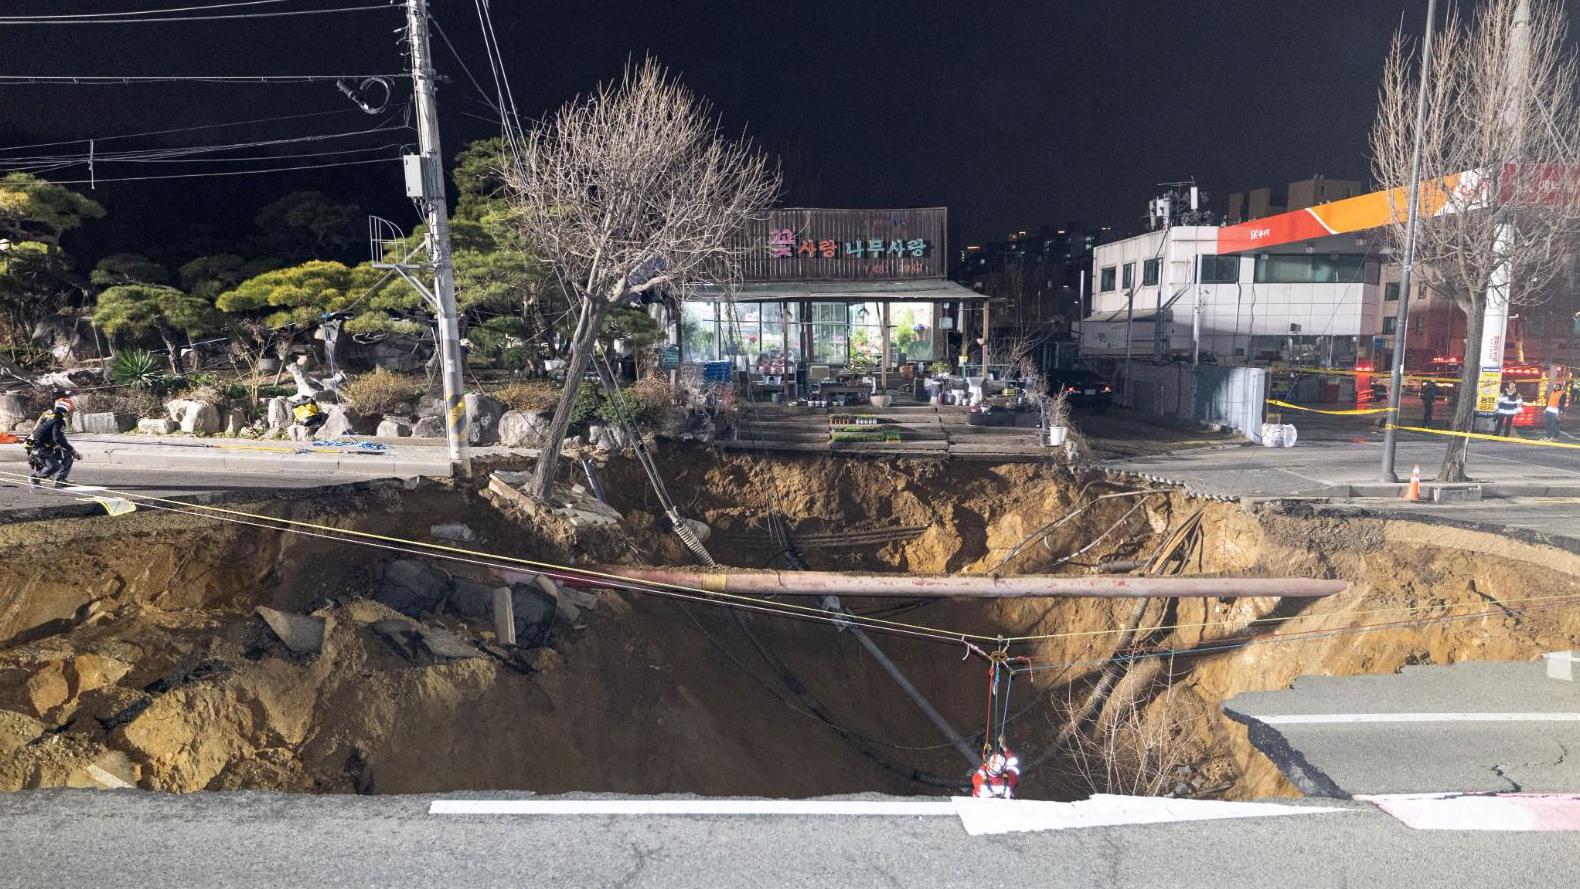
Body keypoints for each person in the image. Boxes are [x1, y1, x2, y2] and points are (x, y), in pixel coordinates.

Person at [24, 391, 80, 489]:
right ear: (66, 409)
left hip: (41, 446)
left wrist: (69, 450)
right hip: (39, 448)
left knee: (68, 455)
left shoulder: (48, 415)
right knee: (55, 466)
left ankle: (60, 480)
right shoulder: (58, 421)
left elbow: (56, 436)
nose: (71, 413)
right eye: (71, 410)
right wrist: (72, 450)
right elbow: (57, 438)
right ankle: (35, 477)